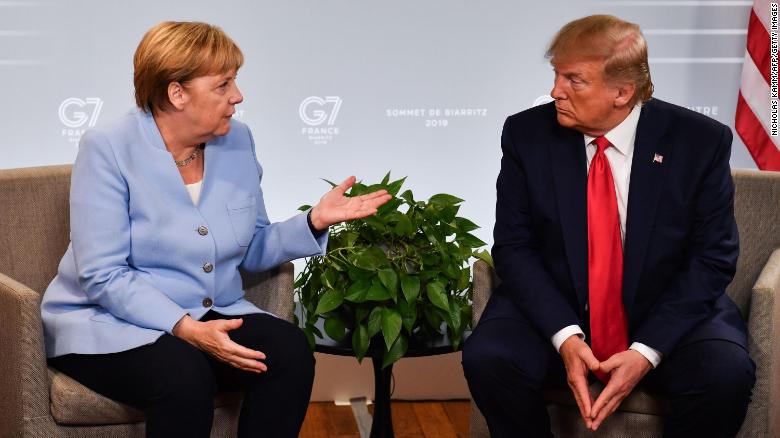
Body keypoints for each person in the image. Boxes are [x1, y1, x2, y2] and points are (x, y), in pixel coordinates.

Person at [41, 21, 391, 438]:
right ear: (177, 93)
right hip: (110, 323)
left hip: (212, 311)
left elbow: (253, 246)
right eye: (223, 84)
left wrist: (314, 221)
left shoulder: (238, 140)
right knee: (183, 375)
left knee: (290, 351)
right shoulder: (108, 148)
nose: (237, 96)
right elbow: (103, 275)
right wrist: (187, 329)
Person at [462, 14, 755, 437]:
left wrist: (645, 351)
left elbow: (713, 258)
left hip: (665, 311)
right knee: (489, 359)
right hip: (558, 308)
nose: (555, 91)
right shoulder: (527, 134)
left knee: (724, 376)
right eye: (556, 75)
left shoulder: (699, 141)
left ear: (623, 91)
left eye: (573, 80)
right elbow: (514, 245)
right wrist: (565, 337)